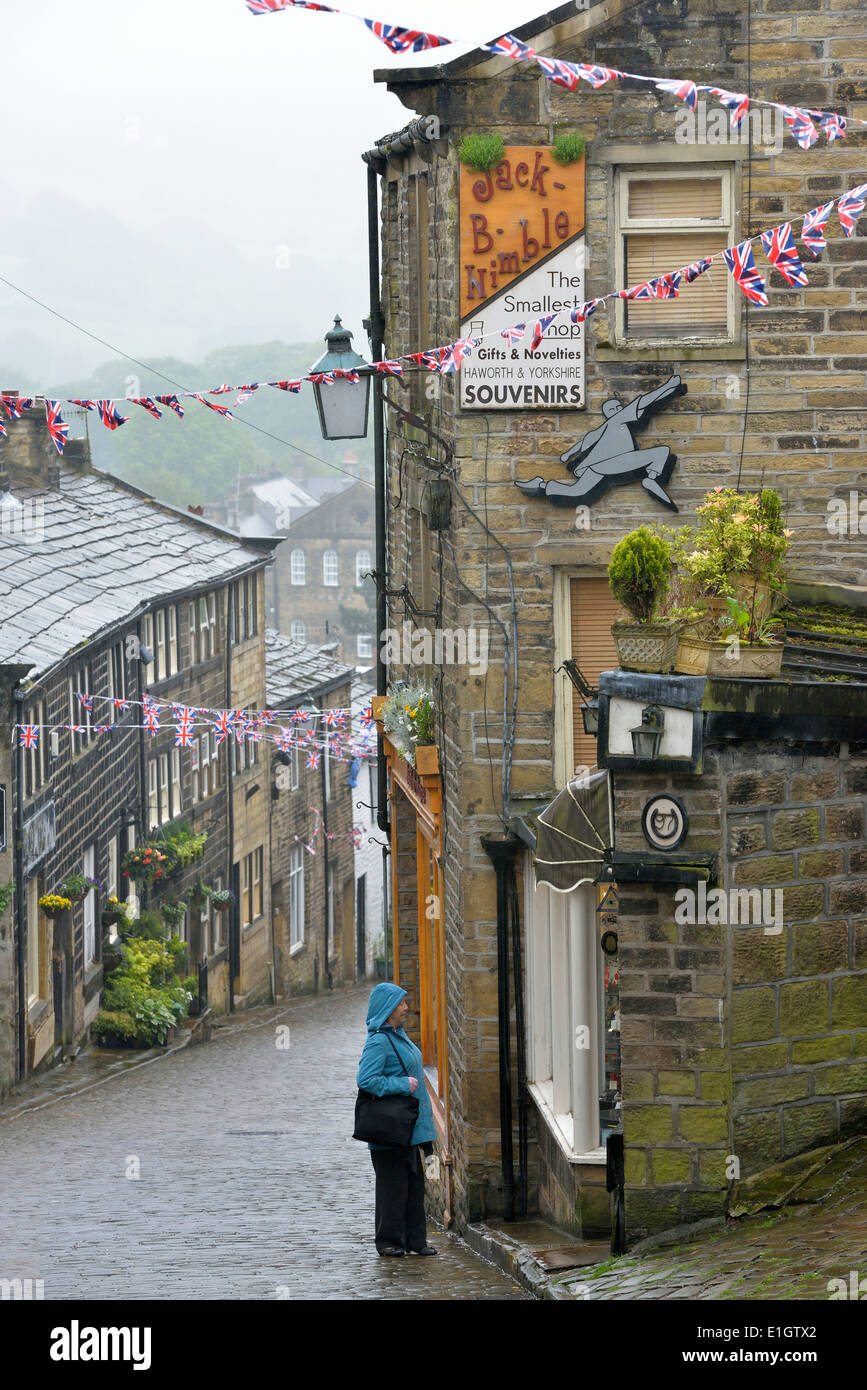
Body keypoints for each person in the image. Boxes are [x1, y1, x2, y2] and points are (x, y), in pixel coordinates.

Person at [356, 982, 438, 1257]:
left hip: (410, 1128)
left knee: (414, 1186)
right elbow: (366, 1079)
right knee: (392, 1187)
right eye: (401, 1003)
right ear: (388, 1009)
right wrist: (401, 1085)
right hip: (390, 1129)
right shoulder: (379, 1040)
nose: (406, 1008)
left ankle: (416, 1241)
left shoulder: (398, 1035)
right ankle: (389, 1241)